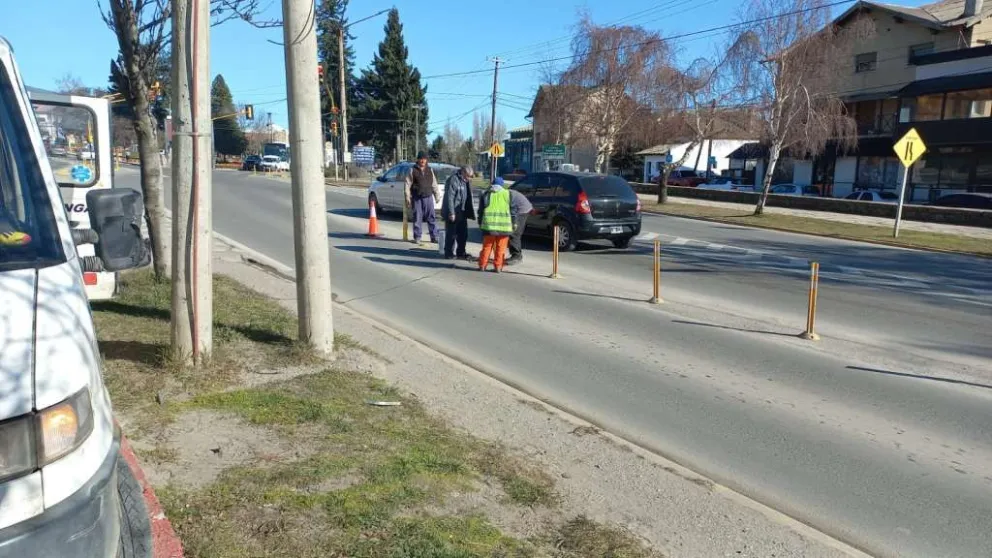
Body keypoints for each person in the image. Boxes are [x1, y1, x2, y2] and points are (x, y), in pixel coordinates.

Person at [476, 177, 513, 273]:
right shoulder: (507, 194)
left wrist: (480, 222)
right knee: (501, 248)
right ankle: (498, 267)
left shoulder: (486, 194)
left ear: (492, 184)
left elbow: (480, 211)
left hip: (489, 227)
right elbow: (513, 211)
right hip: (504, 227)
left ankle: (482, 265)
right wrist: (514, 223)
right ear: (502, 185)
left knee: (487, 247)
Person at [441, 165, 476, 260]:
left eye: (470, 176)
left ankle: (461, 252)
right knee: (451, 234)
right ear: (463, 172)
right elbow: (450, 197)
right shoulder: (454, 180)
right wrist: (451, 213)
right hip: (453, 212)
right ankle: (448, 253)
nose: (469, 178)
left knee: (463, 234)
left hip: (462, 212)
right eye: (468, 176)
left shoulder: (466, 182)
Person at [404, 152, 439, 244]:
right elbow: (407, 184)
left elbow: (434, 183)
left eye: (424, 159)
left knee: (431, 217)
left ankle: (434, 236)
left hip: (428, 197)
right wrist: (407, 197)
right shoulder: (412, 170)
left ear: (426, 160)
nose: (423, 160)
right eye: (421, 159)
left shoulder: (429, 170)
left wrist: (437, 195)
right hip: (417, 197)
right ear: (418, 159)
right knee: (417, 217)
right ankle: (417, 236)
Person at [506, 186, 533, 265]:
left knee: (514, 232)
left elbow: (512, 209)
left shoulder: (505, 194)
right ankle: (515, 254)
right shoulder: (503, 193)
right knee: (512, 231)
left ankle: (517, 256)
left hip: (522, 210)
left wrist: (513, 222)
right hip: (520, 207)